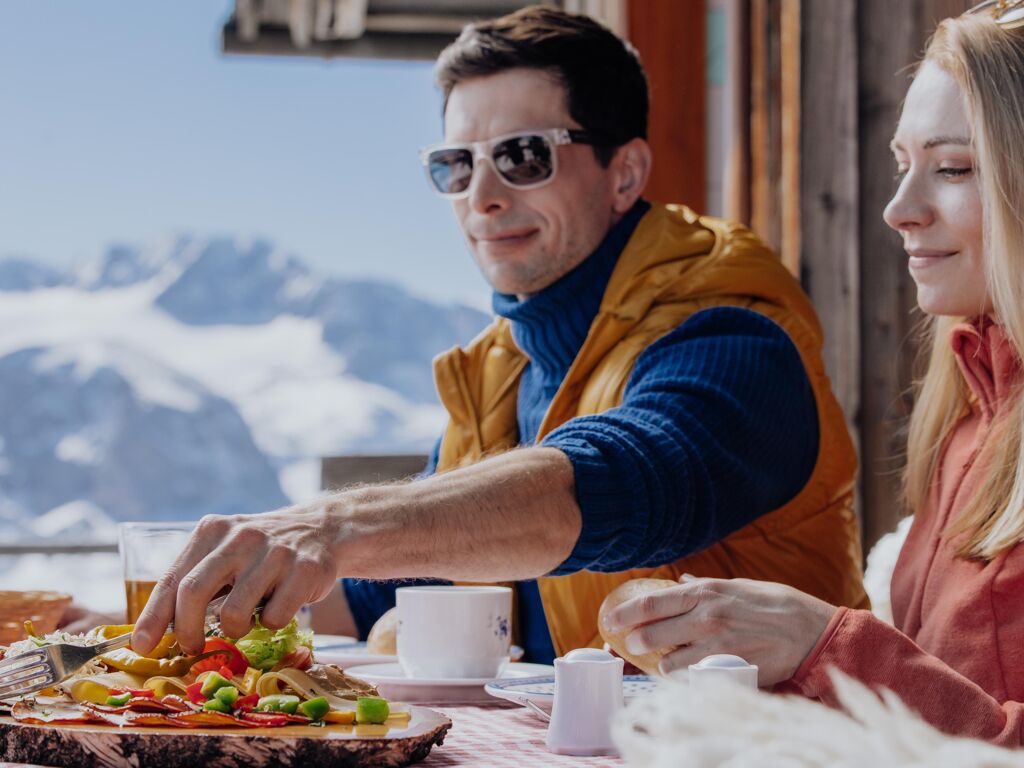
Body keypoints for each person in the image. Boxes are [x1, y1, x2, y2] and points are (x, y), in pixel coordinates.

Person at [132, 5, 867, 662]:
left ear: (625, 172)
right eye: (456, 165)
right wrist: (125, 623)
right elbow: (374, 591)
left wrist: (335, 522)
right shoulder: (495, 374)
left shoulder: (734, 330)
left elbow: (624, 480)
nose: (483, 197)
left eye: (523, 155)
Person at [604, 2, 1024, 745]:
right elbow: (945, 695)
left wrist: (825, 647)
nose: (899, 209)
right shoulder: (971, 407)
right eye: (903, 164)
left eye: (954, 168)